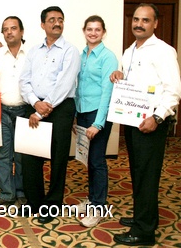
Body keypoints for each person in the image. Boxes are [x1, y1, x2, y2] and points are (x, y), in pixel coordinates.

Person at [111, 3, 181, 246]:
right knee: (138, 173)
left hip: (152, 123)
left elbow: (174, 91)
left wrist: (158, 118)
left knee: (147, 175)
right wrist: (118, 76)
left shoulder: (163, 51)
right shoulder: (130, 51)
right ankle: (144, 217)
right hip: (133, 122)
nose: (139, 24)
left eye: (145, 20)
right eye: (136, 19)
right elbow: (132, 83)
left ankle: (144, 232)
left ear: (155, 24)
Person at [19, 6, 80, 223]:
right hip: (35, 106)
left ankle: (52, 206)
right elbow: (24, 80)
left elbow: (64, 83)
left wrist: (44, 107)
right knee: (30, 158)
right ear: (42, 25)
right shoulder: (34, 51)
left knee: (58, 159)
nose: (57, 23)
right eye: (52, 19)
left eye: (60, 19)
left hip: (60, 109)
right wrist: (35, 103)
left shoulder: (70, 51)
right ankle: (34, 202)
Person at [73, 15, 118, 227]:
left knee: (97, 161)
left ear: (103, 32)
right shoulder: (82, 54)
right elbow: (78, 86)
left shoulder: (107, 57)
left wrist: (98, 123)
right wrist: (76, 116)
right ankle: (91, 199)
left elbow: (107, 93)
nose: (93, 33)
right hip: (83, 111)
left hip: (98, 115)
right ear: (84, 31)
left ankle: (99, 207)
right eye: (89, 29)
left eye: (97, 30)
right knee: (87, 159)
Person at [0, 16, 27, 206]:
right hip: (2, 112)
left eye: (14, 28)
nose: (10, 32)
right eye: (6, 29)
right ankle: (6, 194)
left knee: (21, 155)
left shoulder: (31, 54)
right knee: (2, 156)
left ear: (21, 31)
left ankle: (21, 193)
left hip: (24, 113)